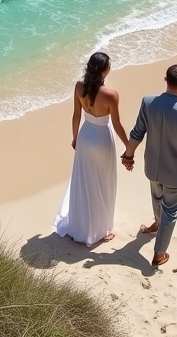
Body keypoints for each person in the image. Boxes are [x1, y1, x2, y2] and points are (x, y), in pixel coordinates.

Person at [121, 64, 177, 266]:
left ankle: (156, 223)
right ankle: (159, 253)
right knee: (170, 210)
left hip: (152, 167)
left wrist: (128, 155)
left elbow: (137, 132)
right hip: (175, 172)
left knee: (157, 197)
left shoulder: (148, 103)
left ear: (165, 79)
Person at [54, 51, 130, 246]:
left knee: (85, 181)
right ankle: (100, 230)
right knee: (103, 183)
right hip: (103, 138)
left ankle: (82, 225)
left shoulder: (79, 87)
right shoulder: (111, 95)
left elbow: (76, 116)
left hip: (85, 136)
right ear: (104, 71)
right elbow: (117, 124)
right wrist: (129, 146)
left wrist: (74, 138)